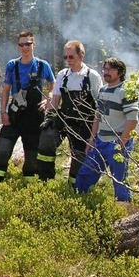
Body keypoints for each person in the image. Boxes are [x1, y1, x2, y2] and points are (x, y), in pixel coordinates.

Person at [0, 31, 55, 183]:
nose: (24, 47)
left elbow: (53, 84)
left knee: (32, 156)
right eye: (21, 44)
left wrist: (49, 99)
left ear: (33, 44)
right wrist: (3, 112)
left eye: (28, 44)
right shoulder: (12, 65)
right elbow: (5, 90)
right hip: (15, 113)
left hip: (35, 115)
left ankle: (29, 189)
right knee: (2, 149)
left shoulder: (43, 65)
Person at [37, 40, 102, 183]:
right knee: (46, 139)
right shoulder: (62, 75)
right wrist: (49, 118)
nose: (68, 61)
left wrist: (93, 135)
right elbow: (55, 101)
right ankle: (44, 180)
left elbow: (100, 106)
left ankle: (74, 189)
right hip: (64, 119)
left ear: (81, 56)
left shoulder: (92, 76)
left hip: (83, 125)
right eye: (65, 57)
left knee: (79, 161)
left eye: (71, 57)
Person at [75, 58, 138, 202]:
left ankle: (124, 214)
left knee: (120, 180)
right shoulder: (103, 90)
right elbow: (97, 116)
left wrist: (121, 143)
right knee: (85, 174)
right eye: (104, 69)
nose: (106, 72)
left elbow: (132, 120)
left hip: (117, 142)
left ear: (120, 72)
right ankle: (78, 202)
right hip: (100, 142)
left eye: (110, 69)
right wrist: (92, 138)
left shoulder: (127, 91)